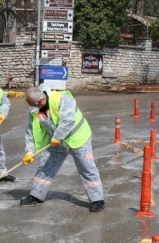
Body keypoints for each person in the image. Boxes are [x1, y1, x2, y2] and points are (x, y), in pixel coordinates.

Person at [20, 84, 105, 212]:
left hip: (78, 139)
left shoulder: (62, 99)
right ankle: (37, 195)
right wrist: (29, 151)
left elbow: (69, 119)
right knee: (45, 167)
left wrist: (58, 135)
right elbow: (30, 131)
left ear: (39, 101)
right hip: (56, 144)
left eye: (31, 104)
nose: (30, 107)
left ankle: (97, 199)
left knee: (87, 168)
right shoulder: (34, 110)